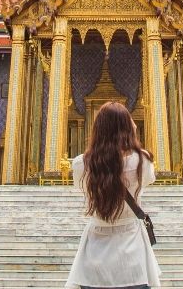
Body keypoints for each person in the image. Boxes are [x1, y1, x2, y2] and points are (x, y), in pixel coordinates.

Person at [66, 101, 161, 289]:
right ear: (128, 127)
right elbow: (149, 178)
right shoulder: (143, 161)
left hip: (94, 258)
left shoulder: (81, 165)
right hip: (133, 256)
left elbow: (81, 184)